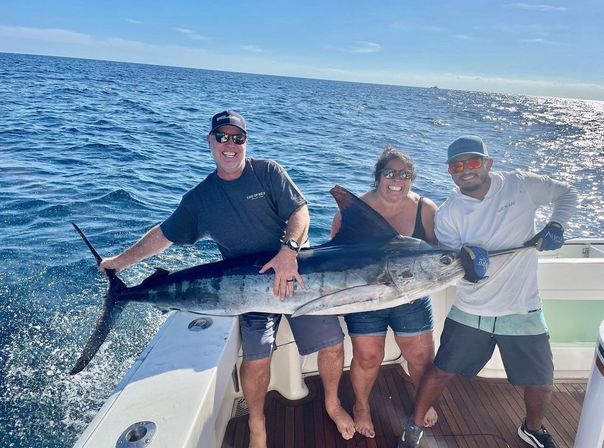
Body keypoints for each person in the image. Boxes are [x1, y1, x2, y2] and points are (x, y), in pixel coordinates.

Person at [100, 110, 355, 447]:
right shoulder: (200, 199)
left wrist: (289, 250)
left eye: (238, 138)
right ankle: (257, 424)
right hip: (247, 287)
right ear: (210, 142)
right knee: (256, 361)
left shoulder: (267, 172)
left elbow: (300, 212)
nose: (230, 144)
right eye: (222, 137)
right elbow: (164, 235)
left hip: (297, 276)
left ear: (246, 142)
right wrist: (120, 262)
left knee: (333, 345)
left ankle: (333, 403)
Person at [399, 136, 577, 448]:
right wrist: (470, 274)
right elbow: (450, 266)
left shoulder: (520, 185)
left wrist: (557, 226)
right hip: (472, 308)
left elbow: (567, 194)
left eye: (472, 162)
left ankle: (532, 428)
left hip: (522, 307)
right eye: (457, 165)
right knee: (441, 371)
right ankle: (414, 426)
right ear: (450, 172)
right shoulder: (449, 213)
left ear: (488, 163)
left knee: (542, 380)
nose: (465, 170)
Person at [331, 146, 440, 438]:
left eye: (404, 174)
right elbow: (336, 258)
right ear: (378, 176)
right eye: (390, 172)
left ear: (412, 179)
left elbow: (437, 253)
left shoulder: (425, 209)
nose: (397, 179)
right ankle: (362, 405)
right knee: (368, 357)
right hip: (367, 297)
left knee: (420, 357)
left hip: (412, 298)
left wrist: (423, 283)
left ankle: (422, 399)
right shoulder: (354, 209)